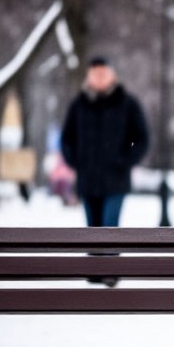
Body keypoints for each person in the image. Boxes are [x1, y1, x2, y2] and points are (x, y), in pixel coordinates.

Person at [60, 56, 150, 227]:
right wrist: (77, 161)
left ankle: (108, 255)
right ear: (88, 76)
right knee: (92, 233)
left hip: (116, 180)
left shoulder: (127, 104)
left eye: (103, 73)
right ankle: (96, 254)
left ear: (113, 76)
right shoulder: (79, 105)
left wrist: (124, 160)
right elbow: (67, 139)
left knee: (110, 230)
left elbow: (141, 139)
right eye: (95, 73)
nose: (99, 77)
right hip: (87, 180)